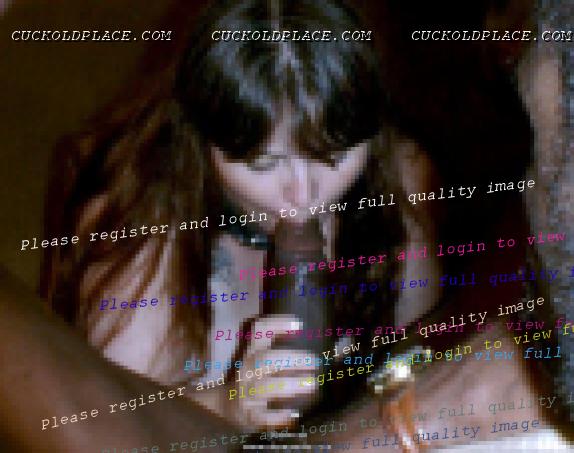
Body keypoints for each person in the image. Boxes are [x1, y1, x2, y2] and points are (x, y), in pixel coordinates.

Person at [2, 0, 570, 451]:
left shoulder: (400, 183)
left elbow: (419, 339)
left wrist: (380, 377)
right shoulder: (139, 252)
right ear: (205, 145)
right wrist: (229, 405)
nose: (303, 194)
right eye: (262, 164)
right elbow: (107, 425)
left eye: (332, 154)